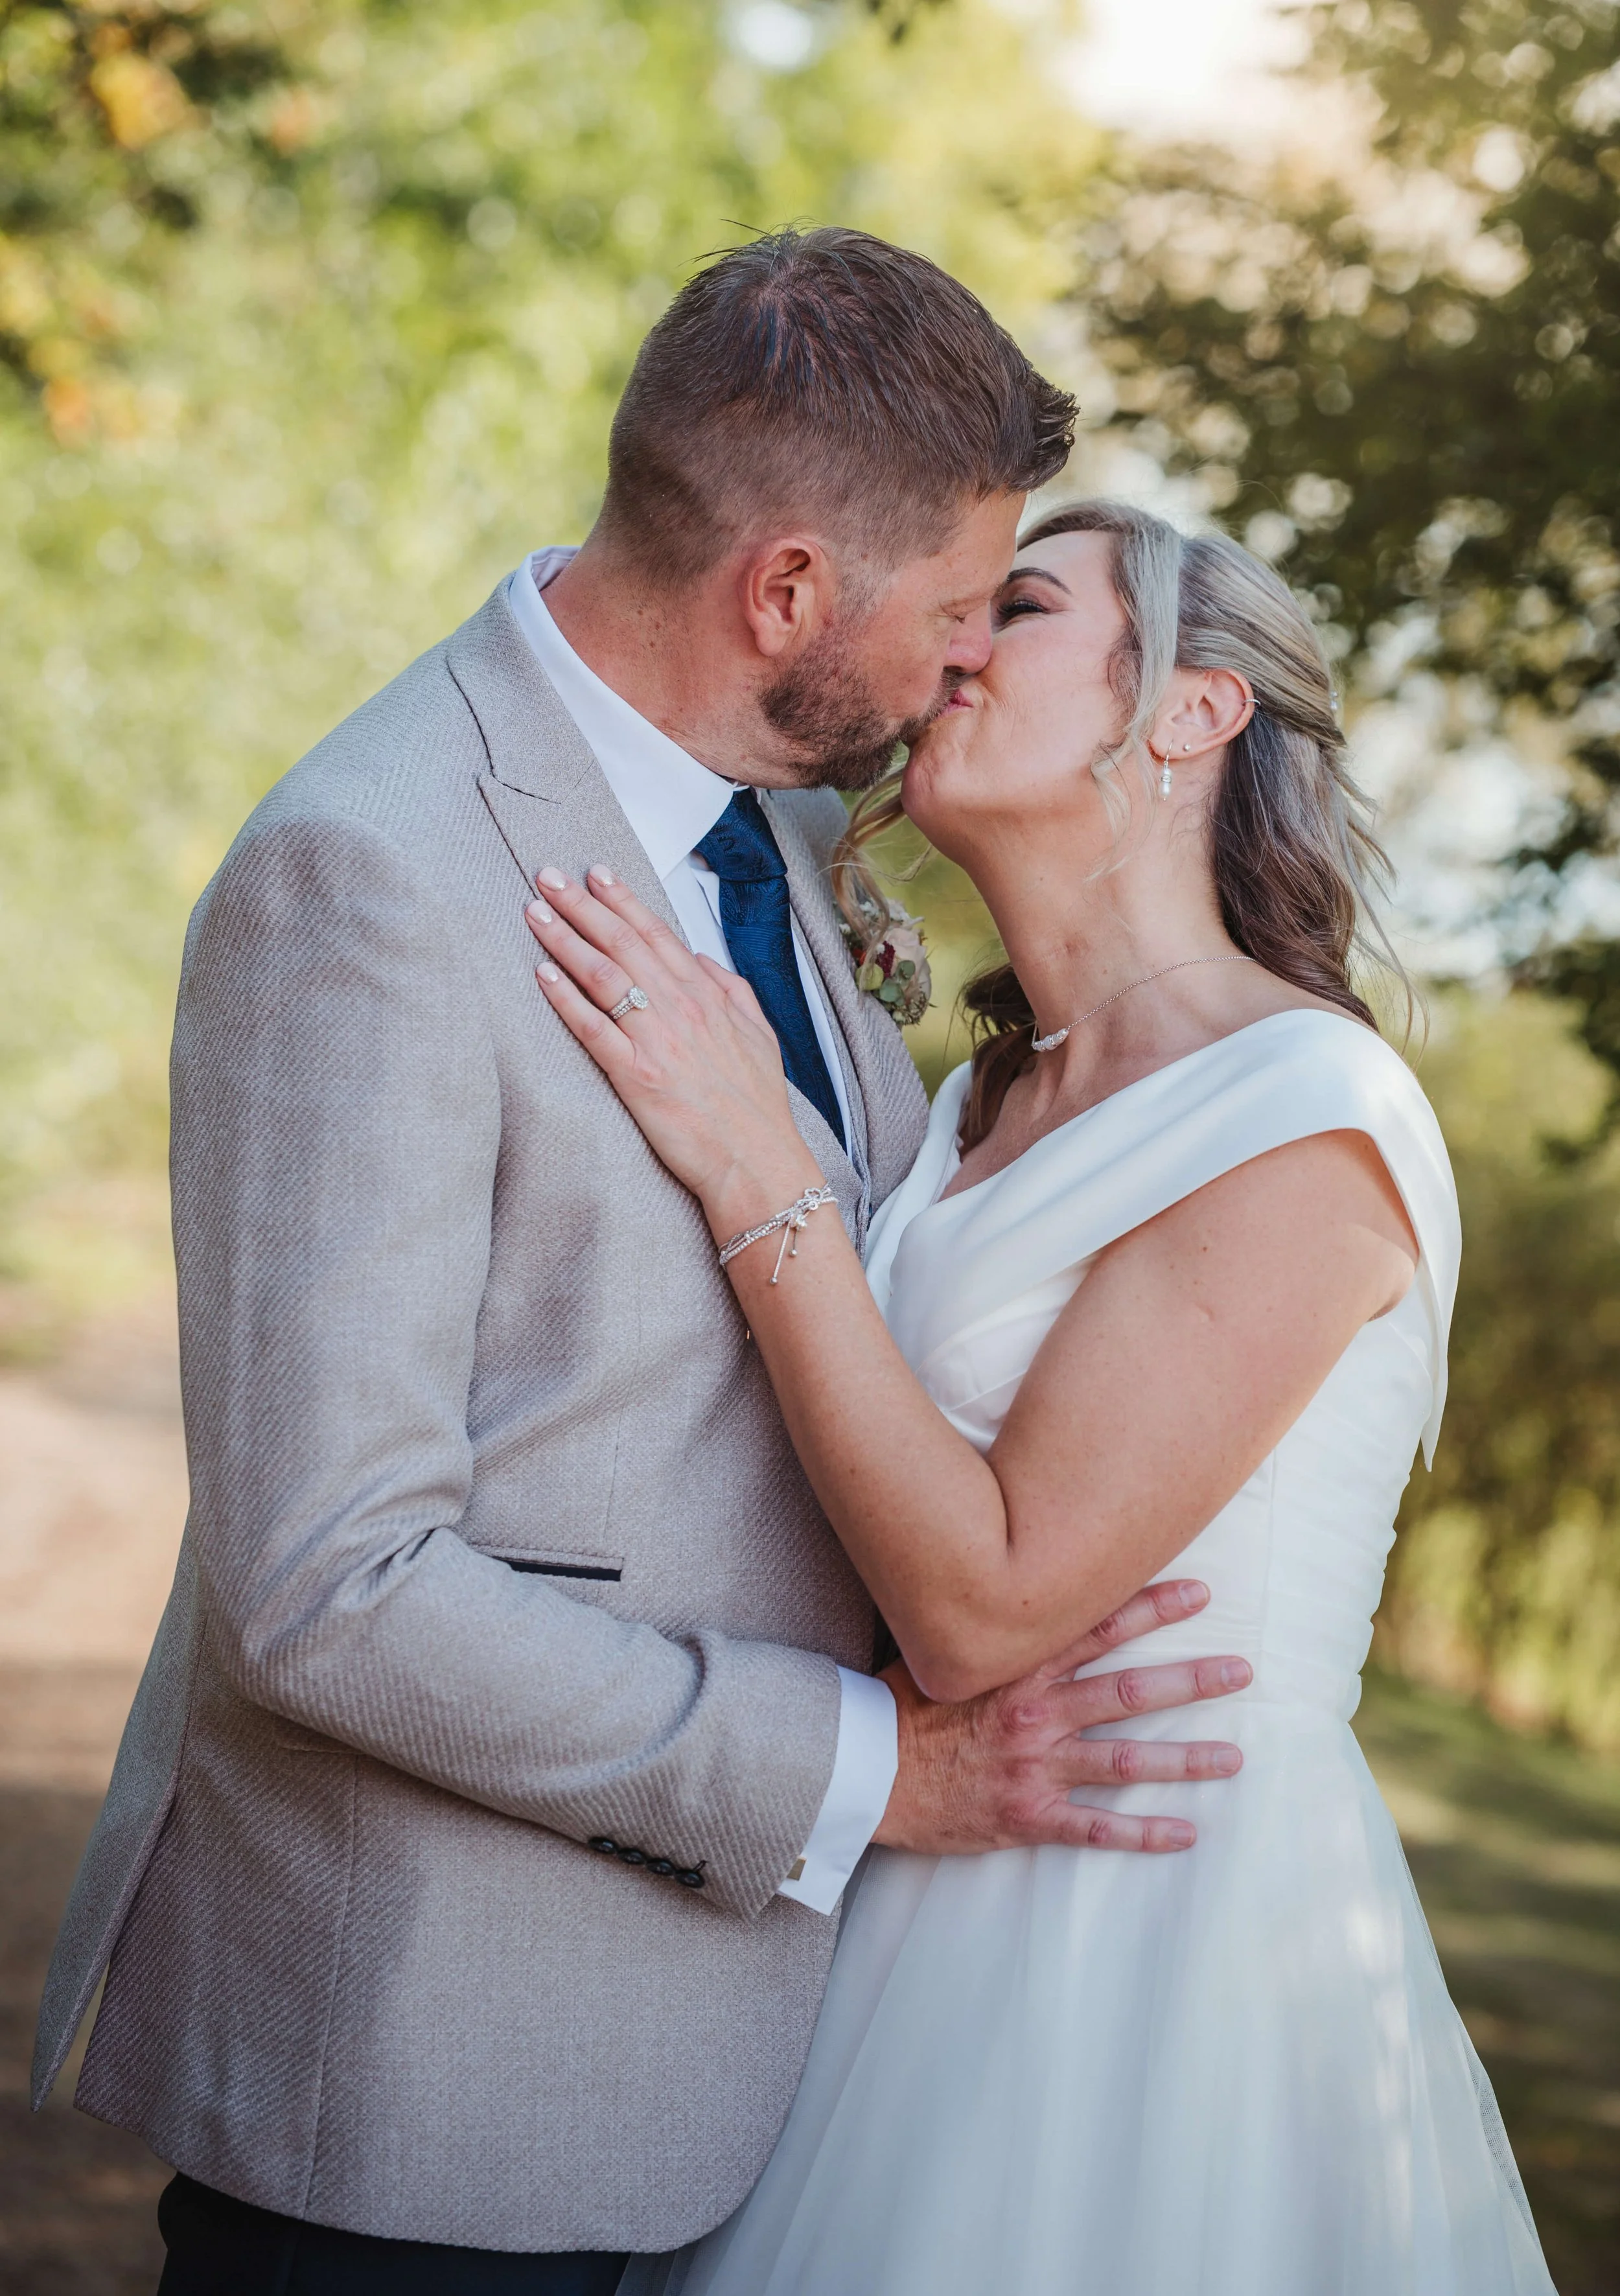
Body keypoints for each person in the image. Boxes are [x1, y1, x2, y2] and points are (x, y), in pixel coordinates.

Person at [31, 237, 1254, 2295]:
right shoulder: (375, 872)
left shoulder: (771, 828)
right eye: (959, 608)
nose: (970, 661)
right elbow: (330, 1585)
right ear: (783, 591)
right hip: (417, 2088)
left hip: (719, 2084)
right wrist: (867, 1769)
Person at [525, 498, 1558, 2294]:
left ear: (1188, 710)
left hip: (1146, 1955)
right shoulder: (977, 1108)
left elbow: (985, 1593)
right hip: (893, 1889)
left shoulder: (1302, 1115)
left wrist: (751, 1168)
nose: (953, 648)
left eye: (1017, 605)